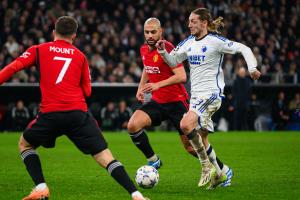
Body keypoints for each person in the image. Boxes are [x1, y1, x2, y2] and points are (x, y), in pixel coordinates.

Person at [0, 16, 148, 200]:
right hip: (78, 114)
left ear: (54, 32)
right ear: (74, 36)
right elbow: (87, 91)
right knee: (104, 156)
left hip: (50, 114)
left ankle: (41, 188)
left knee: (25, 144)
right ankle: (136, 195)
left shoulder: (38, 50)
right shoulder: (80, 56)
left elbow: (14, 67)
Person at [156, 8, 261, 189]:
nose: (189, 24)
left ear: (204, 23)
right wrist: (164, 52)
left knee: (185, 125)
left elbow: (244, 48)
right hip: (196, 97)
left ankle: (205, 166)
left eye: (193, 21)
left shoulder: (215, 41)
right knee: (202, 140)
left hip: (212, 94)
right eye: (189, 21)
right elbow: (173, 62)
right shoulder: (188, 42)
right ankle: (222, 172)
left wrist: (252, 68)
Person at [127, 18, 212, 186]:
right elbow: (147, 66)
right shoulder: (143, 48)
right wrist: (140, 87)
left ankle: (219, 167)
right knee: (132, 125)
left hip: (177, 103)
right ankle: (154, 160)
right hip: (158, 102)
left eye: (153, 32)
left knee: (189, 147)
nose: (150, 35)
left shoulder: (167, 48)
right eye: (147, 32)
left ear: (161, 32)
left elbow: (182, 76)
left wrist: (157, 84)